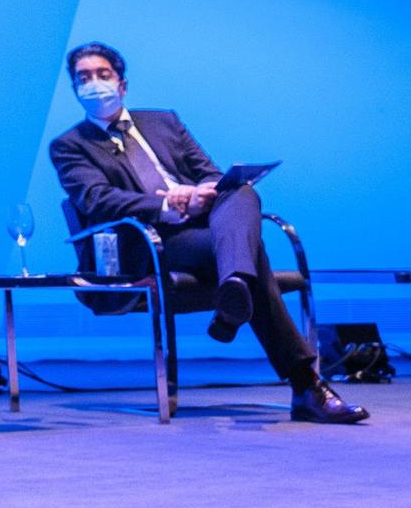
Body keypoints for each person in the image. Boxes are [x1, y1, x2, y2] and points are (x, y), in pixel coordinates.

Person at [50, 42, 367, 424]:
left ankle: (235, 286)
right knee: (253, 254)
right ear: (74, 89)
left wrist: (204, 193)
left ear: (123, 84)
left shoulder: (164, 122)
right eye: (83, 78)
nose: (94, 84)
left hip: (206, 232)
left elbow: (211, 173)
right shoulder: (69, 146)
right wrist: (170, 204)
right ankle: (303, 381)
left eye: (103, 75)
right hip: (150, 243)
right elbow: (97, 201)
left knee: (241, 191)